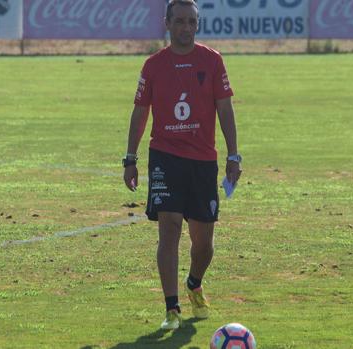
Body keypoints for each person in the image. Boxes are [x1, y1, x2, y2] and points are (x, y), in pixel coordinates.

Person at [122, 0, 242, 331]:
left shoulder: (213, 60)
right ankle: (171, 307)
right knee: (170, 227)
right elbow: (140, 112)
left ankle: (194, 282)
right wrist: (130, 158)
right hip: (165, 157)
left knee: (203, 244)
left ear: (197, 24)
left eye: (192, 21)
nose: (186, 27)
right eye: (180, 21)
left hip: (203, 161)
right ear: (167, 23)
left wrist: (234, 155)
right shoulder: (153, 65)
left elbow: (225, 109)